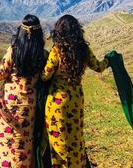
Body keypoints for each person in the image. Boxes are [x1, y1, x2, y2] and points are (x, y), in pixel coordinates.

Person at [0, 14, 46, 168]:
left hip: (8, 104)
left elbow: (1, 74)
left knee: (4, 141)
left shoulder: (13, 51)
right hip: (29, 107)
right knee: (24, 143)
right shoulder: (42, 54)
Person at [41, 14, 109, 168]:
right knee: (76, 138)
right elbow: (98, 67)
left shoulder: (57, 51)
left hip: (57, 104)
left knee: (59, 141)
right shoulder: (83, 49)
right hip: (76, 100)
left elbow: (45, 76)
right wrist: (109, 60)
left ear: (59, 31)